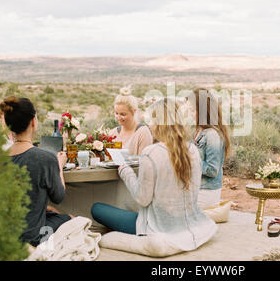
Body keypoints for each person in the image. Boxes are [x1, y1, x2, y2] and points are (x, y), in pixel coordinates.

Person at [91, 98, 217, 252]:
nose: (149, 125)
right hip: (188, 223)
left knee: (96, 209)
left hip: (156, 227)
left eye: (151, 120)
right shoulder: (192, 150)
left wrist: (124, 169)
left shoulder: (151, 153)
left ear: (158, 123)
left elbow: (142, 199)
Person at [0, 96, 72, 247]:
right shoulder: (45, 158)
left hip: (5, 235)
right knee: (72, 219)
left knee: (52, 213)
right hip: (33, 237)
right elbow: (59, 197)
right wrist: (59, 166)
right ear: (33, 121)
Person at [191, 88, 231, 208]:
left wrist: (190, 162)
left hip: (206, 191)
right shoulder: (198, 131)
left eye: (193, 110)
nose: (191, 113)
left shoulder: (212, 135)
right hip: (196, 188)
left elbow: (212, 170)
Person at [108, 87, 153, 155]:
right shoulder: (112, 133)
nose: (118, 117)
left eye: (123, 114)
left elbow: (144, 162)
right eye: (116, 113)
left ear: (133, 112)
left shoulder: (142, 133)